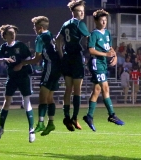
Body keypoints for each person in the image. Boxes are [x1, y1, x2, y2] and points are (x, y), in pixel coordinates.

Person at [14, 16, 61, 136]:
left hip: (50, 66)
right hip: (57, 67)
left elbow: (37, 58)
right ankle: (51, 122)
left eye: (35, 26)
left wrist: (22, 63)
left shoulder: (40, 38)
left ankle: (41, 122)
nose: (33, 29)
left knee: (42, 96)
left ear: (40, 28)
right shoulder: (51, 34)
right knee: (50, 97)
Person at [83, 9, 125, 132]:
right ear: (95, 21)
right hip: (96, 63)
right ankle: (112, 115)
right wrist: (105, 55)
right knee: (105, 88)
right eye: (101, 20)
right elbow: (91, 50)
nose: (104, 22)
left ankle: (89, 116)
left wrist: (115, 56)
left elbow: (110, 47)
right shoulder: (94, 34)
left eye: (105, 20)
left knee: (97, 90)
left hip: (103, 63)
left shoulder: (107, 33)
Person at [0, 24, 35, 142]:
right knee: (7, 102)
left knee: (26, 101)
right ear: (5, 35)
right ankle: (1, 128)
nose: (13, 35)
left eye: (13, 33)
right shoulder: (4, 47)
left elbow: (29, 59)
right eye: (10, 33)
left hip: (23, 76)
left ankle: (31, 130)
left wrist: (21, 64)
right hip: (12, 77)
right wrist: (3, 59)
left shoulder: (20, 45)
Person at [56, 0, 90, 131]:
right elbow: (88, 39)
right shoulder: (80, 23)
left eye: (82, 11)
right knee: (77, 90)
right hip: (76, 58)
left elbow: (58, 40)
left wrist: (61, 56)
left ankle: (66, 116)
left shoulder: (65, 24)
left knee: (68, 89)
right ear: (74, 12)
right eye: (79, 11)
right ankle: (75, 118)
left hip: (66, 58)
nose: (82, 13)